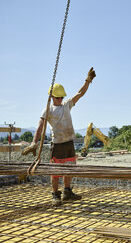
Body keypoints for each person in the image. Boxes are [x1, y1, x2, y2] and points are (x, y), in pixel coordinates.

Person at [22, 67, 96, 206]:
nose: (60, 99)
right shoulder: (47, 110)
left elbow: (80, 93)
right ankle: (55, 194)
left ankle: (67, 192)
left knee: (70, 168)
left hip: (69, 143)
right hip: (57, 144)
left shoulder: (67, 105)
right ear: (51, 97)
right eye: (58, 97)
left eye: (62, 97)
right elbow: (40, 127)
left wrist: (88, 80)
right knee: (55, 171)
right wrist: (34, 142)